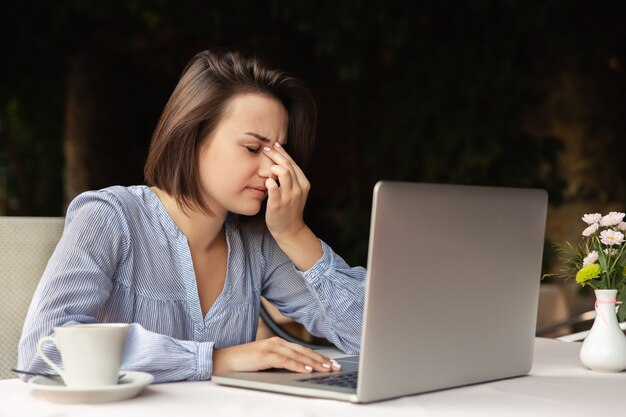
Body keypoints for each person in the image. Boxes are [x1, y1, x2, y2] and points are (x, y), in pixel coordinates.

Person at [17, 50, 366, 383]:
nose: (273, 169)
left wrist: (295, 234)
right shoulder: (110, 219)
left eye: (279, 153)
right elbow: (42, 350)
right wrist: (215, 360)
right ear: (193, 136)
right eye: (252, 148)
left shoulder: (257, 245)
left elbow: (372, 338)